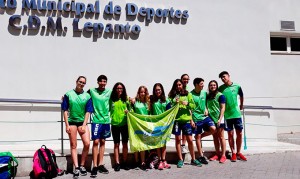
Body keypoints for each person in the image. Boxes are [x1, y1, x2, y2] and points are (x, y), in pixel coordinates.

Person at [61, 76, 92, 179]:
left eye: (83, 83)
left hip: (82, 122)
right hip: (72, 122)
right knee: (73, 145)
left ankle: (82, 165)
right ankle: (76, 168)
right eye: (80, 82)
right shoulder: (68, 94)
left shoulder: (87, 96)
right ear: (76, 82)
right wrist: (67, 125)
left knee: (87, 143)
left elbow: (88, 111)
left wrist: (84, 124)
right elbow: (65, 110)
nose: (81, 84)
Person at [168, 79, 201, 168]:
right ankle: (180, 159)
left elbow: (193, 106)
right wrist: (174, 102)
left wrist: (187, 104)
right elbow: (169, 106)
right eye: (177, 85)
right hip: (177, 120)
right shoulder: (172, 95)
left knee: (190, 140)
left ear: (182, 85)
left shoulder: (188, 94)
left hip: (186, 120)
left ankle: (193, 159)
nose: (178, 86)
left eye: (180, 85)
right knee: (178, 140)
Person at [218, 71, 247, 162]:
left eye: (224, 76)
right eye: (221, 78)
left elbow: (241, 95)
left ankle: (239, 152)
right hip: (227, 115)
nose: (223, 79)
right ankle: (233, 152)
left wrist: (241, 105)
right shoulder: (220, 88)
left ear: (228, 76)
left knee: (240, 134)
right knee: (230, 134)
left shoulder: (237, 86)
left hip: (236, 114)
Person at [88, 75, 112, 178]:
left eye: (104, 81)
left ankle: (101, 164)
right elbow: (82, 96)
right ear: (98, 82)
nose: (103, 83)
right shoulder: (92, 91)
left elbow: (121, 95)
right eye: (101, 81)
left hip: (106, 120)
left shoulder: (109, 91)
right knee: (96, 142)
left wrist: (131, 99)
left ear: (106, 82)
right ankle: (95, 166)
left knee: (103, 141)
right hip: (96, 120)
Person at [190, 78, 216, 165]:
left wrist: (207, 109)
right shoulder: (190, 94)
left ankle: (201, 136)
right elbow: (189, 109)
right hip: (196, 118)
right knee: (197, 137)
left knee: (213, 129)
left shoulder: (204, 93)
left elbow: (208, 102)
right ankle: (201, 156)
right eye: (201, 84)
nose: (203, 85)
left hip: (205, 117)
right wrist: (191, 120)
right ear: (196, 84)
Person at [150, 83, 172, 170]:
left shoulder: (166, 100)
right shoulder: (151, 99)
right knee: (158, 144)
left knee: (164, 143)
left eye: (159, 90)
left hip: (165, 125)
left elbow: (170, 111)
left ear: (162, 90)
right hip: (156, 125)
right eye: (156, 90)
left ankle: (164, 160)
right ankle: (159, 161)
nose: (157, 91)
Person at [110, 82, 131, 172]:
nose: (119, 90)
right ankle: (117, 163)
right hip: (114, 124)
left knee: (125, 144)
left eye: (121, 88)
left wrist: (129, 111)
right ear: (115, 89)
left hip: (124, 124)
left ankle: (125, 162)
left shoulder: (126, 99)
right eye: (118, 88)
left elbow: (131, 109)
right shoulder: (111, 99)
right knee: (116, 144)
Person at [206, 80, 227, 163]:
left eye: (214, 85)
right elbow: (206, 106)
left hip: (219, 119)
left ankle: (223, 155)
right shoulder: (208, 96)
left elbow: (223, 108)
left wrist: (220, 119)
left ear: (216, 86)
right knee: (214, 137)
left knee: (221, 137)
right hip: (211, 119)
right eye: (211, 85)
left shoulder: (220, 96)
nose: (213, 86)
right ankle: (217, 154)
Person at [130, 85, 150, 170]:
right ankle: (136, 161)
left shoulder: (148, 102)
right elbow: (131, 110)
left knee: (143, 144)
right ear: (138, 93)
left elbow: (150, 114)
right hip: (136, 125)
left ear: (146, 93)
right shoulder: (135, 102)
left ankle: (142, 161)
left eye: (144, 92)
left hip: (145, 126)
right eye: (141, 92)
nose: (142, 93)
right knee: (135, 143)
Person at [180, 74, 190, 154]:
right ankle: (181, 146)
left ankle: (183, 145)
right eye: (184, 79)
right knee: (178, 133)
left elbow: (191, 102)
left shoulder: (189, 89)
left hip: (187, 113)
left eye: (187, 79)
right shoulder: (178, 87)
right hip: (178, 114)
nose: (185, 80)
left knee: (185, 132)